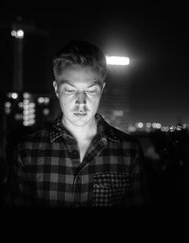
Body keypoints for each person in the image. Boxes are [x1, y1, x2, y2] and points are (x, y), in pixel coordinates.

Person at [8, 40, 148, 207]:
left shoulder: (128, 151)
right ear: (56, 89)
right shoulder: (28, 151)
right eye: (70, 90)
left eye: (90, 91)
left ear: (101, 90)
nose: (80, 102)